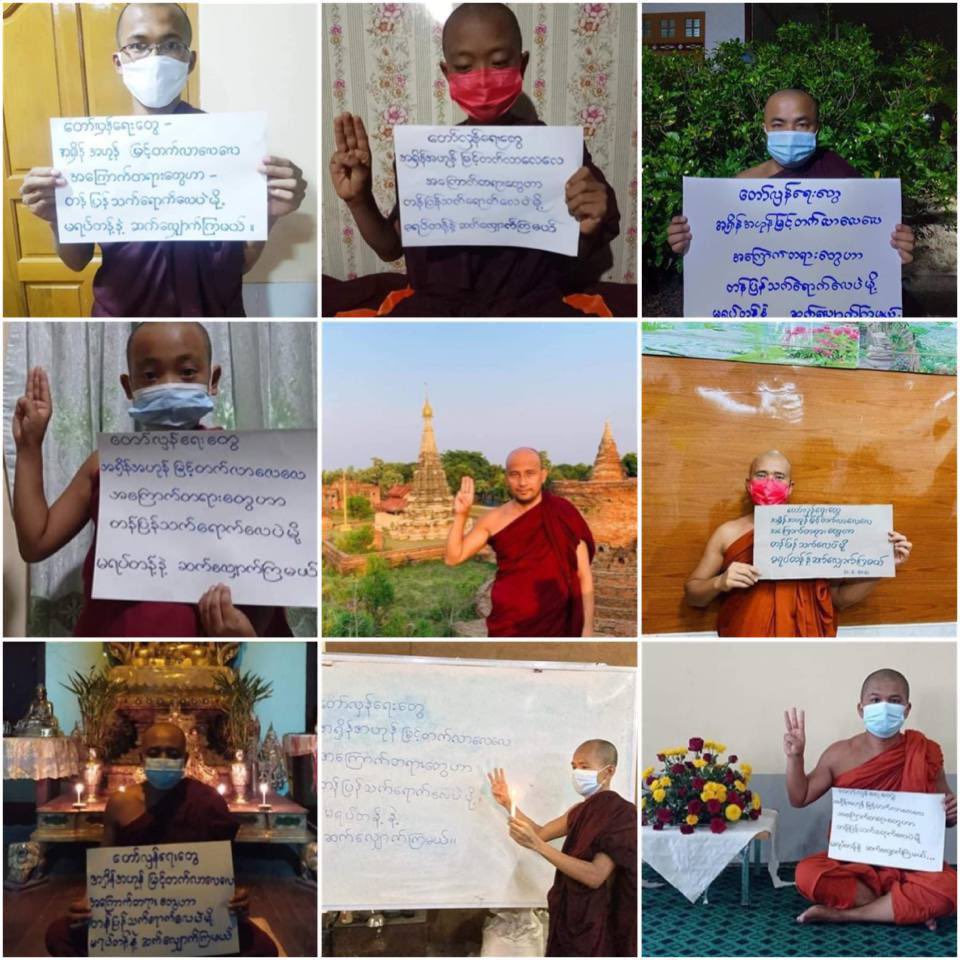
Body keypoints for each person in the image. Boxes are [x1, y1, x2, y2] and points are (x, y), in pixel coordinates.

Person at [328, 2, 619, 316]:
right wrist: (359, 199)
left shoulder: (558, 153)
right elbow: (390, 248)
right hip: (436, 311)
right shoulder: (428, 157)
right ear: (447, 73)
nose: (482, 80)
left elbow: (577, 253)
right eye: (465, 67)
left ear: (521, 65)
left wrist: (589, 226)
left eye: (499, 62)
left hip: (530, 308)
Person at [18, 3, 307, 317]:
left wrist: (267, 215)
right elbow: (77, 261)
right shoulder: (94, 155)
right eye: (138, 45)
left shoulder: (228, 149)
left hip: (210, 316)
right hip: (121, 318)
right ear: (119, 61)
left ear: (189, 60)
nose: (154, 58)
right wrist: (57, 219)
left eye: (171, 44)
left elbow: (239, 264)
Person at [11, 321, 291, 636]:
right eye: (150, 375)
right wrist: (29, 447)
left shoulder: (244, 467)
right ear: (129, 387)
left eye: (187, 372)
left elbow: (265, 579)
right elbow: (36, 542)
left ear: (212, 380)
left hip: (207, 653)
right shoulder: (107, 464)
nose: (168, 385)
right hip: (114, 646)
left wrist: (246, 637)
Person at [45, 722, 278, 956]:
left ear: (186, 759)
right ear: (142, 758)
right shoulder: (120, 804)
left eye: (173, 754)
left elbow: (222, 873)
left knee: (264, 948)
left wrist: (237, 900)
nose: (163, 759)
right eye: (154, 753)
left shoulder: (208, 802)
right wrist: (86, 903)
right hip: (132, 916)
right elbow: (104, 869)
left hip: (192, 918)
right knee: (58, 934)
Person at [785, 669, 957, 927]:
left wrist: (952, 813)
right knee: (807, 873)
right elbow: (800, 797)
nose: (884, 707)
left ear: (907, 709)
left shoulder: (924, 752)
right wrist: (795, 757)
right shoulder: (839, 754)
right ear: (861, 708)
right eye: (875, 700)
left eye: (895, 701)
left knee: (951, 888)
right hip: (853, 863)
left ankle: (846, 914)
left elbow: (946, 814)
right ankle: (900, 907)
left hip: (910, 865)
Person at [667, 88, 915, 264]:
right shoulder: (742, 185)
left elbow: (870, 237)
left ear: (816, 129)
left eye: (801, 124)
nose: (790, 132)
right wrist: (688, 242)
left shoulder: (840, 174)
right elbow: (723, 253)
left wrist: (897, 247)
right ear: (765, 129)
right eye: (778, 124)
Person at [683, 449, 912, 636]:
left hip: (806, 646)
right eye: (761, 475)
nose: (770, 482)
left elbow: (839, 599)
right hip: (745, 644)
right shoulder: (728, 533)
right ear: (748, 484)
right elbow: (693, 596)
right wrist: (719, 582)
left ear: (790, 487)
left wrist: (881, 563)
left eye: (779, 477)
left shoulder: (816, 533)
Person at [489, 739, 636, 956]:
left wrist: (537, 845)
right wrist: (508, 803)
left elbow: (595, 876)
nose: (577, 773)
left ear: (609, 771)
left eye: (584, 767)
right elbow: (540, 833)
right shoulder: (579, 810)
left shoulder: (622, 813)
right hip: (568, 911)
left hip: (598, 919)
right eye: (574, 767)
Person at [445, 447, 595, 636]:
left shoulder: (563, 512)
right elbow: (453, 558)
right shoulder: (493, 519)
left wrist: (587, 628)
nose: (522, 482)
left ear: (543, 475)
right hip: (508, 623)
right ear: (506, 478)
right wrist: (461, 515)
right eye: (515, 475)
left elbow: (583, 575)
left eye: (530, 474)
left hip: (557, 621)